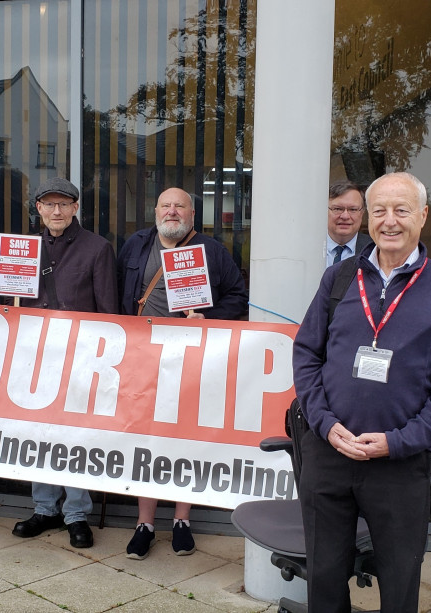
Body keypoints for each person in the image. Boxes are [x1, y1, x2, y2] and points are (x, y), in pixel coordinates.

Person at [292, 172, 431, 612]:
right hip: (330, 452)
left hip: (400, 463)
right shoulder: (339, 278)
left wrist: (400, 441)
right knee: (323, 578)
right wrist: (325, 423)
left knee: (398, 583)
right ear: (367, 219)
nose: (389, 221)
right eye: (379, 211)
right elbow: (306, 355)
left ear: (423, 215)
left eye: (401, 210)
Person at [117, 187, 248, 559]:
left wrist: (211, 317)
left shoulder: (213, 252)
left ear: (192, 214)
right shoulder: (136, 246)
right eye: (166, 205)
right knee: (146, 439)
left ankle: (181, 520)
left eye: (180, 206)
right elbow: (117, 295)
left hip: (192, 357)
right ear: (154, 211)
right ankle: (144, 523)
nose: (172, 211)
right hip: (142, 358)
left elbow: (238, 297)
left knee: (183, 438)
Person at [10, 177, 119, 549]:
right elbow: (11, 306)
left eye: (64, 204)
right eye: (49, 204)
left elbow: (108, 310)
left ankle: (76, 513)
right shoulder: (22, 249)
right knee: (39, 431)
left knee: (75, 434)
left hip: (81, 356)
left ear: (75, 208)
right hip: (35, 355)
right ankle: (44, 508)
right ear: (38, 208)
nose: (56, 211)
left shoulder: (98, 248)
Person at [326, 179, 371, 265]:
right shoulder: (305, 246)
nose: (345, 216)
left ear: (362, 213)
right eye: (338, 209)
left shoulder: (375, 250)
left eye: (353, 209)